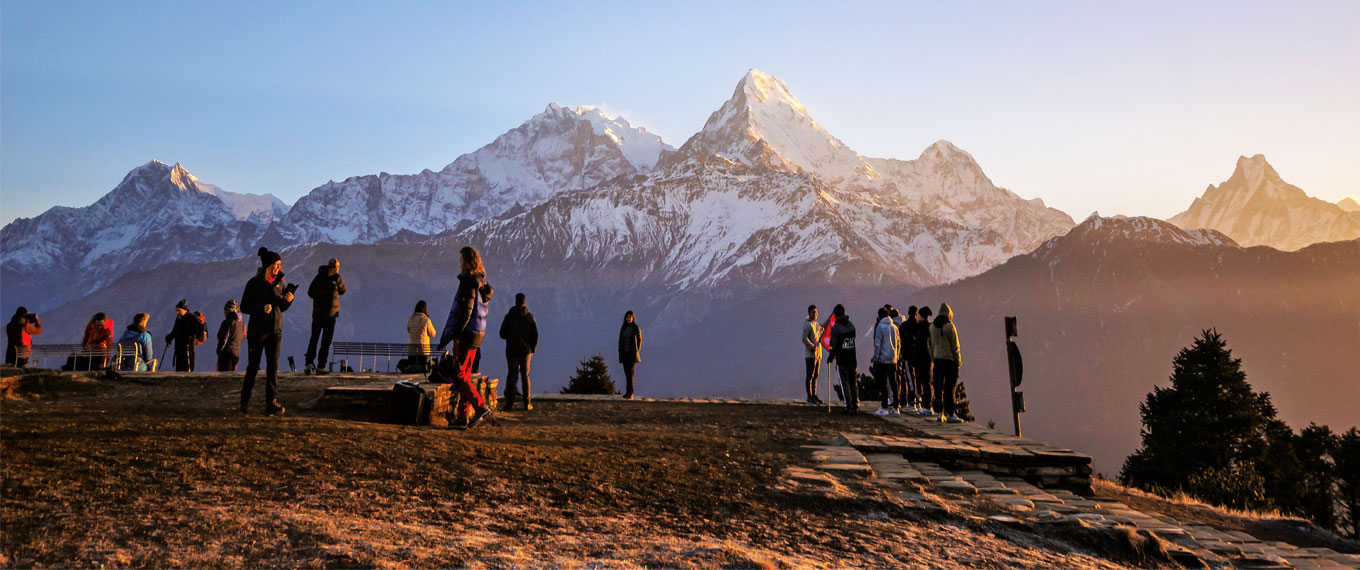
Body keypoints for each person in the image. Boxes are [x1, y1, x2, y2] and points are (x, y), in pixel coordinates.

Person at [436, 246, 496, 429]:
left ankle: (479, 407)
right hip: (478, 335)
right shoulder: (482, 284)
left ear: (467, 262)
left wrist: (456, 336)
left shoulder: (468, 283)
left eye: (461, 260)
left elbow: (465, 312)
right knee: (466, 376)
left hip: (466, 334)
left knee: (460, 374)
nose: (459, 263)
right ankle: (463, 417)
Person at [240, 247, 295, 415]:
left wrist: (289, 299)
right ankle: (245, 400)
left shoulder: (280, 282)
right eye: (276, 265)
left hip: (275, 330)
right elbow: (244, 306)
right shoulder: (254, 283)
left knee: (273, 367)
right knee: (253, 366)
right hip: (258, 331)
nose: (278, 268)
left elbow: (281, 307)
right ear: (268, 266)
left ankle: (271, 402)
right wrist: (261, 308)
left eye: (279, 264)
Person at [498, 292, 539, 411]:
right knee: (525, 376)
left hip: (511, 351)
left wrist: (511, 337)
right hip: (526, 351)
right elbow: (535, 335)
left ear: (515, 302)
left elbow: (502, 334)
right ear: (525, 302)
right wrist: (532, 349)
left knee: (512, 376)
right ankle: (527, 403)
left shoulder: (509, 316)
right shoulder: (529, 317)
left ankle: (509, 404)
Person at [305, 258, 346, 374]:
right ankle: (321, 366)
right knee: (325, 341)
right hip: (330, 315)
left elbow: (310, 293)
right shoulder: (337, 278)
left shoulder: (318, 277)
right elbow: (343, 290)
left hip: (317, 314)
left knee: (314, 339)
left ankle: (308, 363)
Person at [927, 302, 964, 423]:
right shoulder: (950, 327)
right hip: (950, 361)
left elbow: (929, 345)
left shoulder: (932, 327)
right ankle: (950, 413)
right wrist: (958, 361)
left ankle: (939, 412)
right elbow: (955, 346)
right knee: (950, 388)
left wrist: (933, 359)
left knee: (938, 388)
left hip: (937, 361)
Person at [827, 304, 859, 414]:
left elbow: (834, 345)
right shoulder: (851, 325)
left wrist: (830, 358)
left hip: (842, 360)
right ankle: (855, 405)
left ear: (835, 315)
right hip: (852, 358)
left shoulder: (836, 328)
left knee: (844, 383)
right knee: (853, 383)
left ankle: (848, 406)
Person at [872, 307, 901, 416]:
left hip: (883, 359)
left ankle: (884, 407)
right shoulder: (894, 327)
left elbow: (878, 344)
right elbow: (898, 343)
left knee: (883, 384)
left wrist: (876, 358)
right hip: (893, 359)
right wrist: (897, 357)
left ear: (880, 316)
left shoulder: (880, 327)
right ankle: (895, 407)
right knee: (894, 383)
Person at [912, 306, 935, 416]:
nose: (916, 317)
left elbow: (921, 346)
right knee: (926, 382)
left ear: (921, 316)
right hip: (928, 359)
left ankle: (927, 406)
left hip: (924, 359)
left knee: (926, 382)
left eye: (918, 315)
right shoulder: (928, 327)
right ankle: (927, 405)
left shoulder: (923, 329)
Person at [618, 310, 641, 400]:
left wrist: (637, 350)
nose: (628, 319)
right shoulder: (623, 328)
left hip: (632, 354)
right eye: (627, 317)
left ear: (633, 318)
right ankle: (628, 392)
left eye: (630, 317)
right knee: (627, 373)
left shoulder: (635, 328)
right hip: (624, 353)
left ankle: (630, 393)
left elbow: (639, 339)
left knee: (630, 372)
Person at [802, 305, 823, 405]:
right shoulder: (807, 325)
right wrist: (812, 347)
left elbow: (821, 329)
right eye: (813, 312)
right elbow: (804, 338)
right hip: (810, 355)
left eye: (816, 312)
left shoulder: (816, 324)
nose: (815, 314)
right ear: (809, 313)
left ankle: (814, 395)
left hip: (818, 355)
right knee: (810, 376)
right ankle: (809, 396)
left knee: (815, 376)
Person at [217, 300, 245, 372]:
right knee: (232, 375)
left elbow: (224, 338)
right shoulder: (242, 323)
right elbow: (243, 336)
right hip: (236, 353)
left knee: (224, 377)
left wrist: (219, 351)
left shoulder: (228, 322)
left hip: (227, 353)